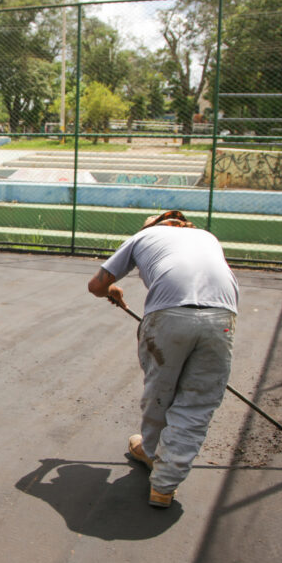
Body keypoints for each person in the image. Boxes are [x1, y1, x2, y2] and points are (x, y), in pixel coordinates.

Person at [87, 210, 239, 508]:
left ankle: (153, 451)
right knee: (197, 402)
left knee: (161, 388)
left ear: (156, 223)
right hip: (221, 318)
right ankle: (164, 485)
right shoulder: (208, 237)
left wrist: (112, 289)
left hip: (169, 316)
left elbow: (96, 286)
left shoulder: (144, 235)